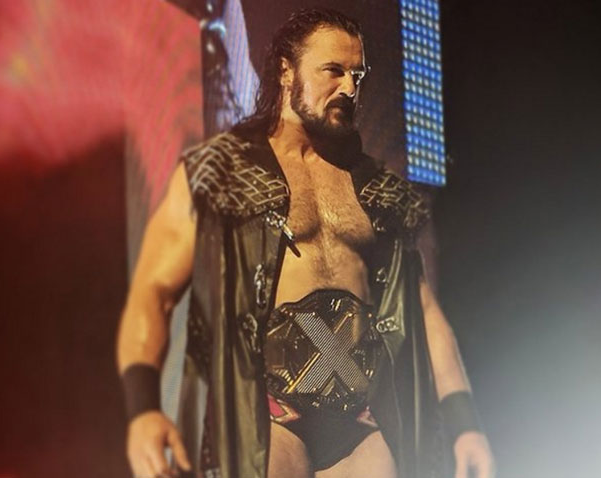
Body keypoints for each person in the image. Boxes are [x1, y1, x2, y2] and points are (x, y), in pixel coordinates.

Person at [117, 8, 494, 478]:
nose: (349, 88)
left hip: (359, 420)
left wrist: (465, 424)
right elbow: (153, 292)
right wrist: (143, 410)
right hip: (270, 415)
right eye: (333, 71)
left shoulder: (375, 190)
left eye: (357, 75)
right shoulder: (223, 172)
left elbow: (424, 312)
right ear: (285, 71)